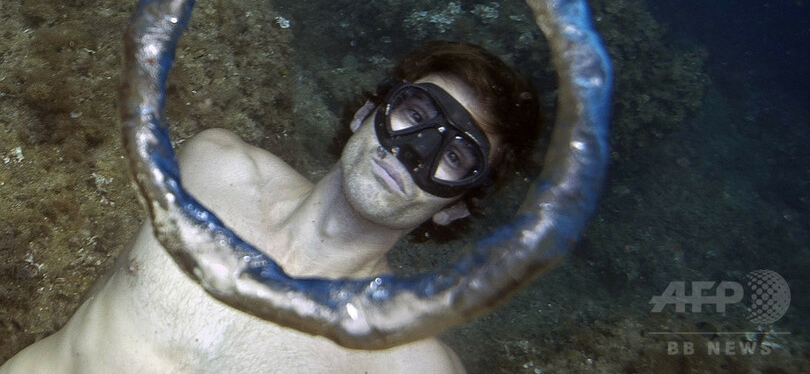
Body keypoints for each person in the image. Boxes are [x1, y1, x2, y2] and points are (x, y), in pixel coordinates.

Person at [1, 41, 540, 374]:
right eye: (416, 113)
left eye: (456, 156)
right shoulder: (210, 167)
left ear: (455, 209)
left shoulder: (407, 364)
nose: (414, 150)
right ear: (365, 114)